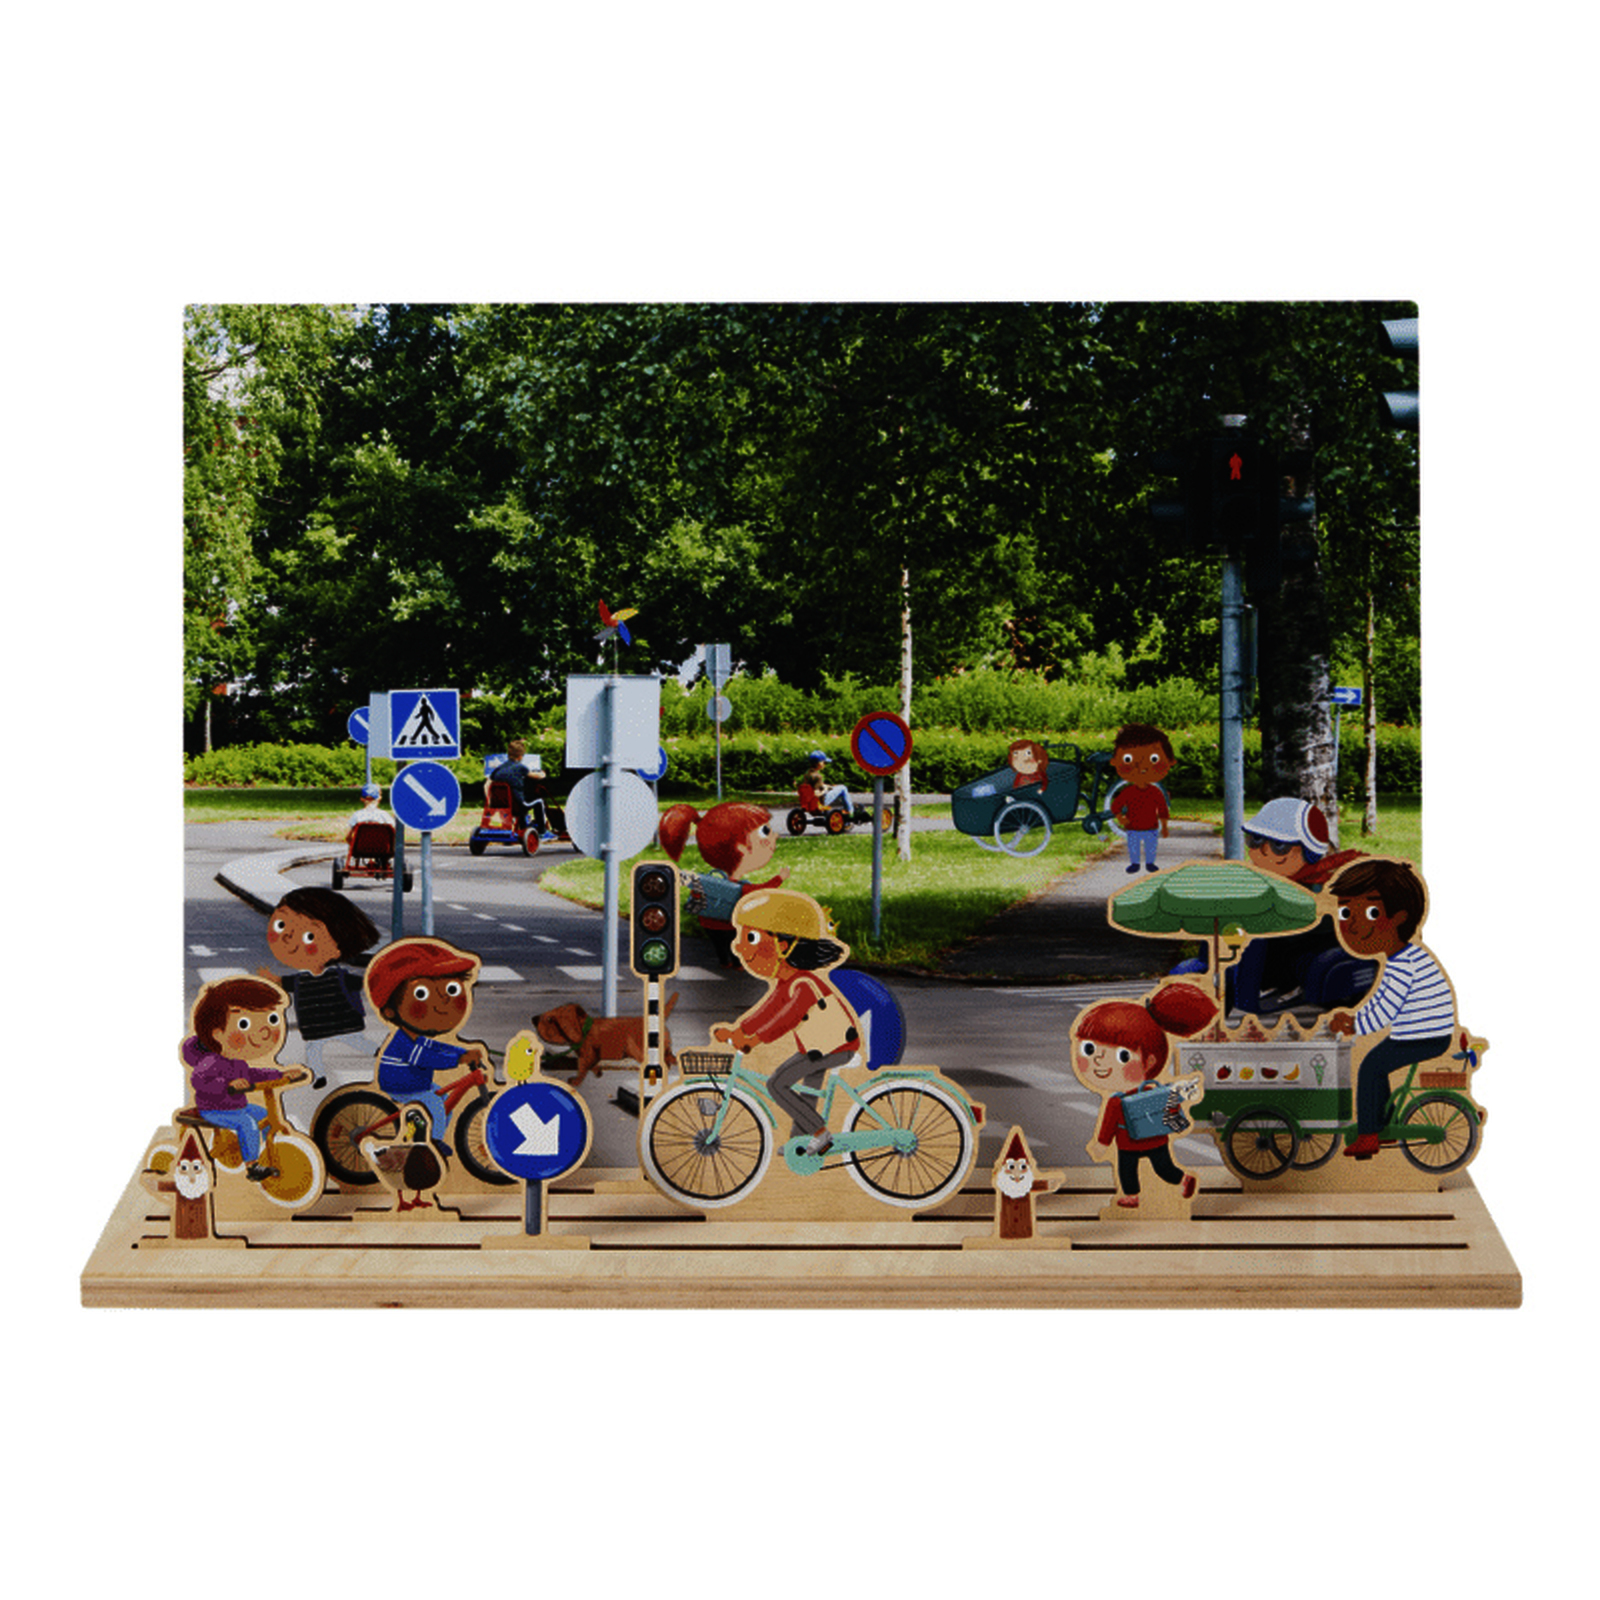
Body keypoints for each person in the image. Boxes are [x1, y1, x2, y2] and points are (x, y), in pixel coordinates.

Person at [711, 889, 862, 1156]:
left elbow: (786, 1019)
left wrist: (754, 1040)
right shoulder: (787, 982)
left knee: (777, 1084)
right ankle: (799, 1144)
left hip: (835, 1046)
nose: (739, 947)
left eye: (751, 938)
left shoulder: (802, 983)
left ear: (782, 945)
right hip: (820, 1047)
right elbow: (768, 1011)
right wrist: (741, 1030)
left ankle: (821, 1134)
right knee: (808, 1092)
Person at [1325, 858, 1456, 1159]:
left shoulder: (1404, 964)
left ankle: (1369, 1134)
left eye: (1371, 913)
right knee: (1377, 1066)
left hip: (1425, 1036)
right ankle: (1382, 1121)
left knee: (1371, 1067)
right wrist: (1356, 1019)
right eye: (1345, 913)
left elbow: (1385, 1009)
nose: (1352, 924)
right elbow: (1380, 1001)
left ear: (1399, 918)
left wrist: (1354, 1024)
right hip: (1420, 1033)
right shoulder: (1402, 958)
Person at [1070, 982, 1216, 1207]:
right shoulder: (1154, 1092)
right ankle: (1182, 1179)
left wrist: (1101, 1145)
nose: (1098, 1060)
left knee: (1127, 1169)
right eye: (1089, 1049)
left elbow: (1108, 1125)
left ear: (1150, 1062)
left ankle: (1131, 1196)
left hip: (1127, 1142)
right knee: (1164, 1167)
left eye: (1122, 1056)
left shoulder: (1117, 1101)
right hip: (1156, 1137)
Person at [1231, 797, 1375, 1016]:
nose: (1263, 851)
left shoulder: (1318, 881)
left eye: (1279, 846)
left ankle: (1295, 987)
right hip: (1292, 943)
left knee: (1284, 947)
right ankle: (1267, 986)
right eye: (1255, 840)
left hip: (1318, 937)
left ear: (1308, 851)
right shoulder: (1273, 881)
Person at [364, 938, 491, 1155]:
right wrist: (459, 1059)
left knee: (442, 1100)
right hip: (400, 1085)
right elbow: (427, 1058)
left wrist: (463, 1052)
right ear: (390, 1011)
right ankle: (433, 1144)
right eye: (421, 994)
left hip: (417, 1084)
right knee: (434, 1103)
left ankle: (423, 1133)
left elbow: (436, 1047)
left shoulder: (418, 1038)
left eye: (450, 990)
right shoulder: (404, 1041)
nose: (442, 1002)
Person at [261, 886, 385, 1091]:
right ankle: (319, 1075)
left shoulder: (339, 976)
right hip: (319, 1029)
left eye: (309, 937)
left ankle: (379, 1052)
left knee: (355, 1042)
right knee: (316, 1050)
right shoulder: (301, 979)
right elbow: (284, 982)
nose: (290, 940)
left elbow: (364, 982)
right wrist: (272, 979)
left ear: (337, 949)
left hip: (338, 1025)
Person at [180, 976, 299, 1182]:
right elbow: (199, 1081)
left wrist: (281, 1075)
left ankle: (268, 1151)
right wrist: (226, 1085)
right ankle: (252, 1166)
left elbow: (254, 1074)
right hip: (213, 1110)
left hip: (236, 1107)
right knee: (247, 1123)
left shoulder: (238, 1062)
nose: (261, 1032)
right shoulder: (211, 1061)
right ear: (218, 1034)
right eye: (244, 1024)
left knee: (266, 1116)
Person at [659, 801, 788, 967]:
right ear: (741, 848)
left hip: (708, 923)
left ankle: (724, 962)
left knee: (720, 945)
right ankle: (737, 964)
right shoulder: (737, 887)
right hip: (728, 925)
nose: (775, 836)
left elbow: (696, 895)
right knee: (734, 944)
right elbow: (757, 890)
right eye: (765, 832)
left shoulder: (707, 881)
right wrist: (779, 878)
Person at [1108, 722, 1173, 873]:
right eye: (1129, 760)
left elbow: (1162, 809)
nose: (1141, 767)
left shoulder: (1154, 792)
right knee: (1134, 846)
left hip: (1150, 827)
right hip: (1133, 827)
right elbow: (1116, 806)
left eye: (1153, 759)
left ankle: (1150, 863)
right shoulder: (1129, 792)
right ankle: (1135, 863)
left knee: (1150, 846)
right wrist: (1121, 818)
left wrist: (1164, 827)